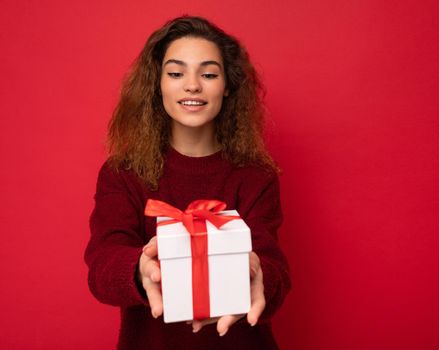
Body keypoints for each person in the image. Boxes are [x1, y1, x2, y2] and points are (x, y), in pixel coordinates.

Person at [84, 15, 291, 349]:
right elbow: (101, 268)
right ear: (158, 84)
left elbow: (275, 271)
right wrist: (141, 268)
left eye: (208, 74)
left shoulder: (256, 175)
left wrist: (259, 273)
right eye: (176, 73)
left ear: (227, 87)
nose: (192, 85)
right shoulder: (122, 173)